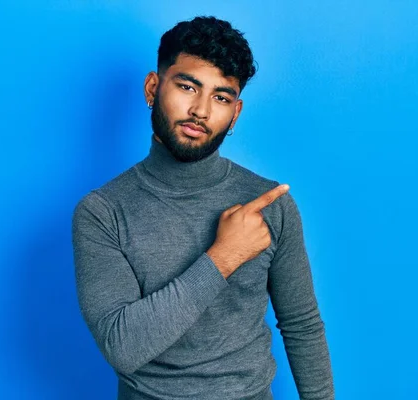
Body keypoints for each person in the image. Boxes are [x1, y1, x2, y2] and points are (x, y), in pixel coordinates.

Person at [72, 15, 335, 400]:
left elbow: (301, 325)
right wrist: (224, 256)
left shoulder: (270, 205)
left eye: (220, 97)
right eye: (187, 86)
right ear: (152, 88)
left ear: (235, 114)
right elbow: (122, 346)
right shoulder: (102, 212)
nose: (200, 110)